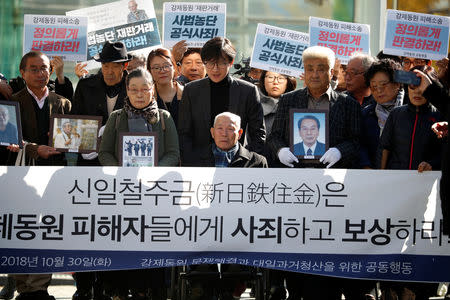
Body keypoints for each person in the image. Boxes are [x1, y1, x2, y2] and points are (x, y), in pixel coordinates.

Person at [267, 45, 361, 300]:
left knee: (326, 243)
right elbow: (273, 137)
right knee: (296, 240)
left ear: (332, 72)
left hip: (332, 188)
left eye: (321, 69)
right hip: (297, 186)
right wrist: (281, 151)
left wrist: (340, 151)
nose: (315, 74)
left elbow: (357, 141)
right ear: (302, 72)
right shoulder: (289, 100)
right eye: (310, 69)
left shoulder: (347, 104)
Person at [98, 67, 178, 300]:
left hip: (154, 194)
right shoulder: (115, 118)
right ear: (127, 91)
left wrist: (152, 175)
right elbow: (105, 153)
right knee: (123, 240)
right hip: (123, 194)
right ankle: (120, 290)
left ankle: (147, 290)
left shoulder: (164, 118)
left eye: (145, 89)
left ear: (153, 90)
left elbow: (173, 153)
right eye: (134, 89)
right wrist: (122, 175)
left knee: (150, 241)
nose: (140, 94)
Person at [71, 40, 132, 300]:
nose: (109, 71)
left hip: (124, 170)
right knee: (88, 226)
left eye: (114, 66)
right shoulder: (86, 85)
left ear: (124, 66)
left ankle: (113, 285)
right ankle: (84, 286)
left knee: (117, 227)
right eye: (105, 65)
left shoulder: (136, 84)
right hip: (90, 165)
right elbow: (73, 123)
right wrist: (87, 143)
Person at [10, 51, 71, 300]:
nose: (40, 73)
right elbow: (7, 140)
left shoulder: (63, 102)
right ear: (22, 73)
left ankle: (38, 287)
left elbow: (74, 136)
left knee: (46, 230)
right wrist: (35, 149)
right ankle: (24, 285)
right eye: (33, 69)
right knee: (21, 230)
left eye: (44, 68)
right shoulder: (11, 103)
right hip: (19, 178)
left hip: (52, 179)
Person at [379, 65, 441, 300]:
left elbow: (444, 151)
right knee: (392, 238)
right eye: (411, 85)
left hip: (427, 193)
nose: (416, 91)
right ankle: (391, 289)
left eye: (421, 85)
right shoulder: (397, 114)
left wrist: (432, 163)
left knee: (421, 240)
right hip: (395, 191)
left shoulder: (438, 114)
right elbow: (384, 147)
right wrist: (380, 179)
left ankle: (416, 290)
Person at [178, 37, 265, 166]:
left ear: (231, 62)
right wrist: (192, 162)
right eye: (210, 63)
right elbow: (184, 132)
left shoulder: (248, 91)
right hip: (199, 164)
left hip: (238, 164)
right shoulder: (192, 90)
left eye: (221, 63)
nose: (215, 69)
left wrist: (248, 162)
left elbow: (258, 133)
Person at [360, 59, 405, 169]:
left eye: (384, 85)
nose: (379, 90)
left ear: (397, 84)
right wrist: (366, 166)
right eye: (374, 87)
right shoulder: (367, 113)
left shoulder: (412, 109)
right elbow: (361, 146)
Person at [147, 47, 183, 128]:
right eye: (156, 68)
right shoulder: (146, 97)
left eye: (166, 66)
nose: (162, 71)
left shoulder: (188, 94)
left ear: (174, 67)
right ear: (149, 71)